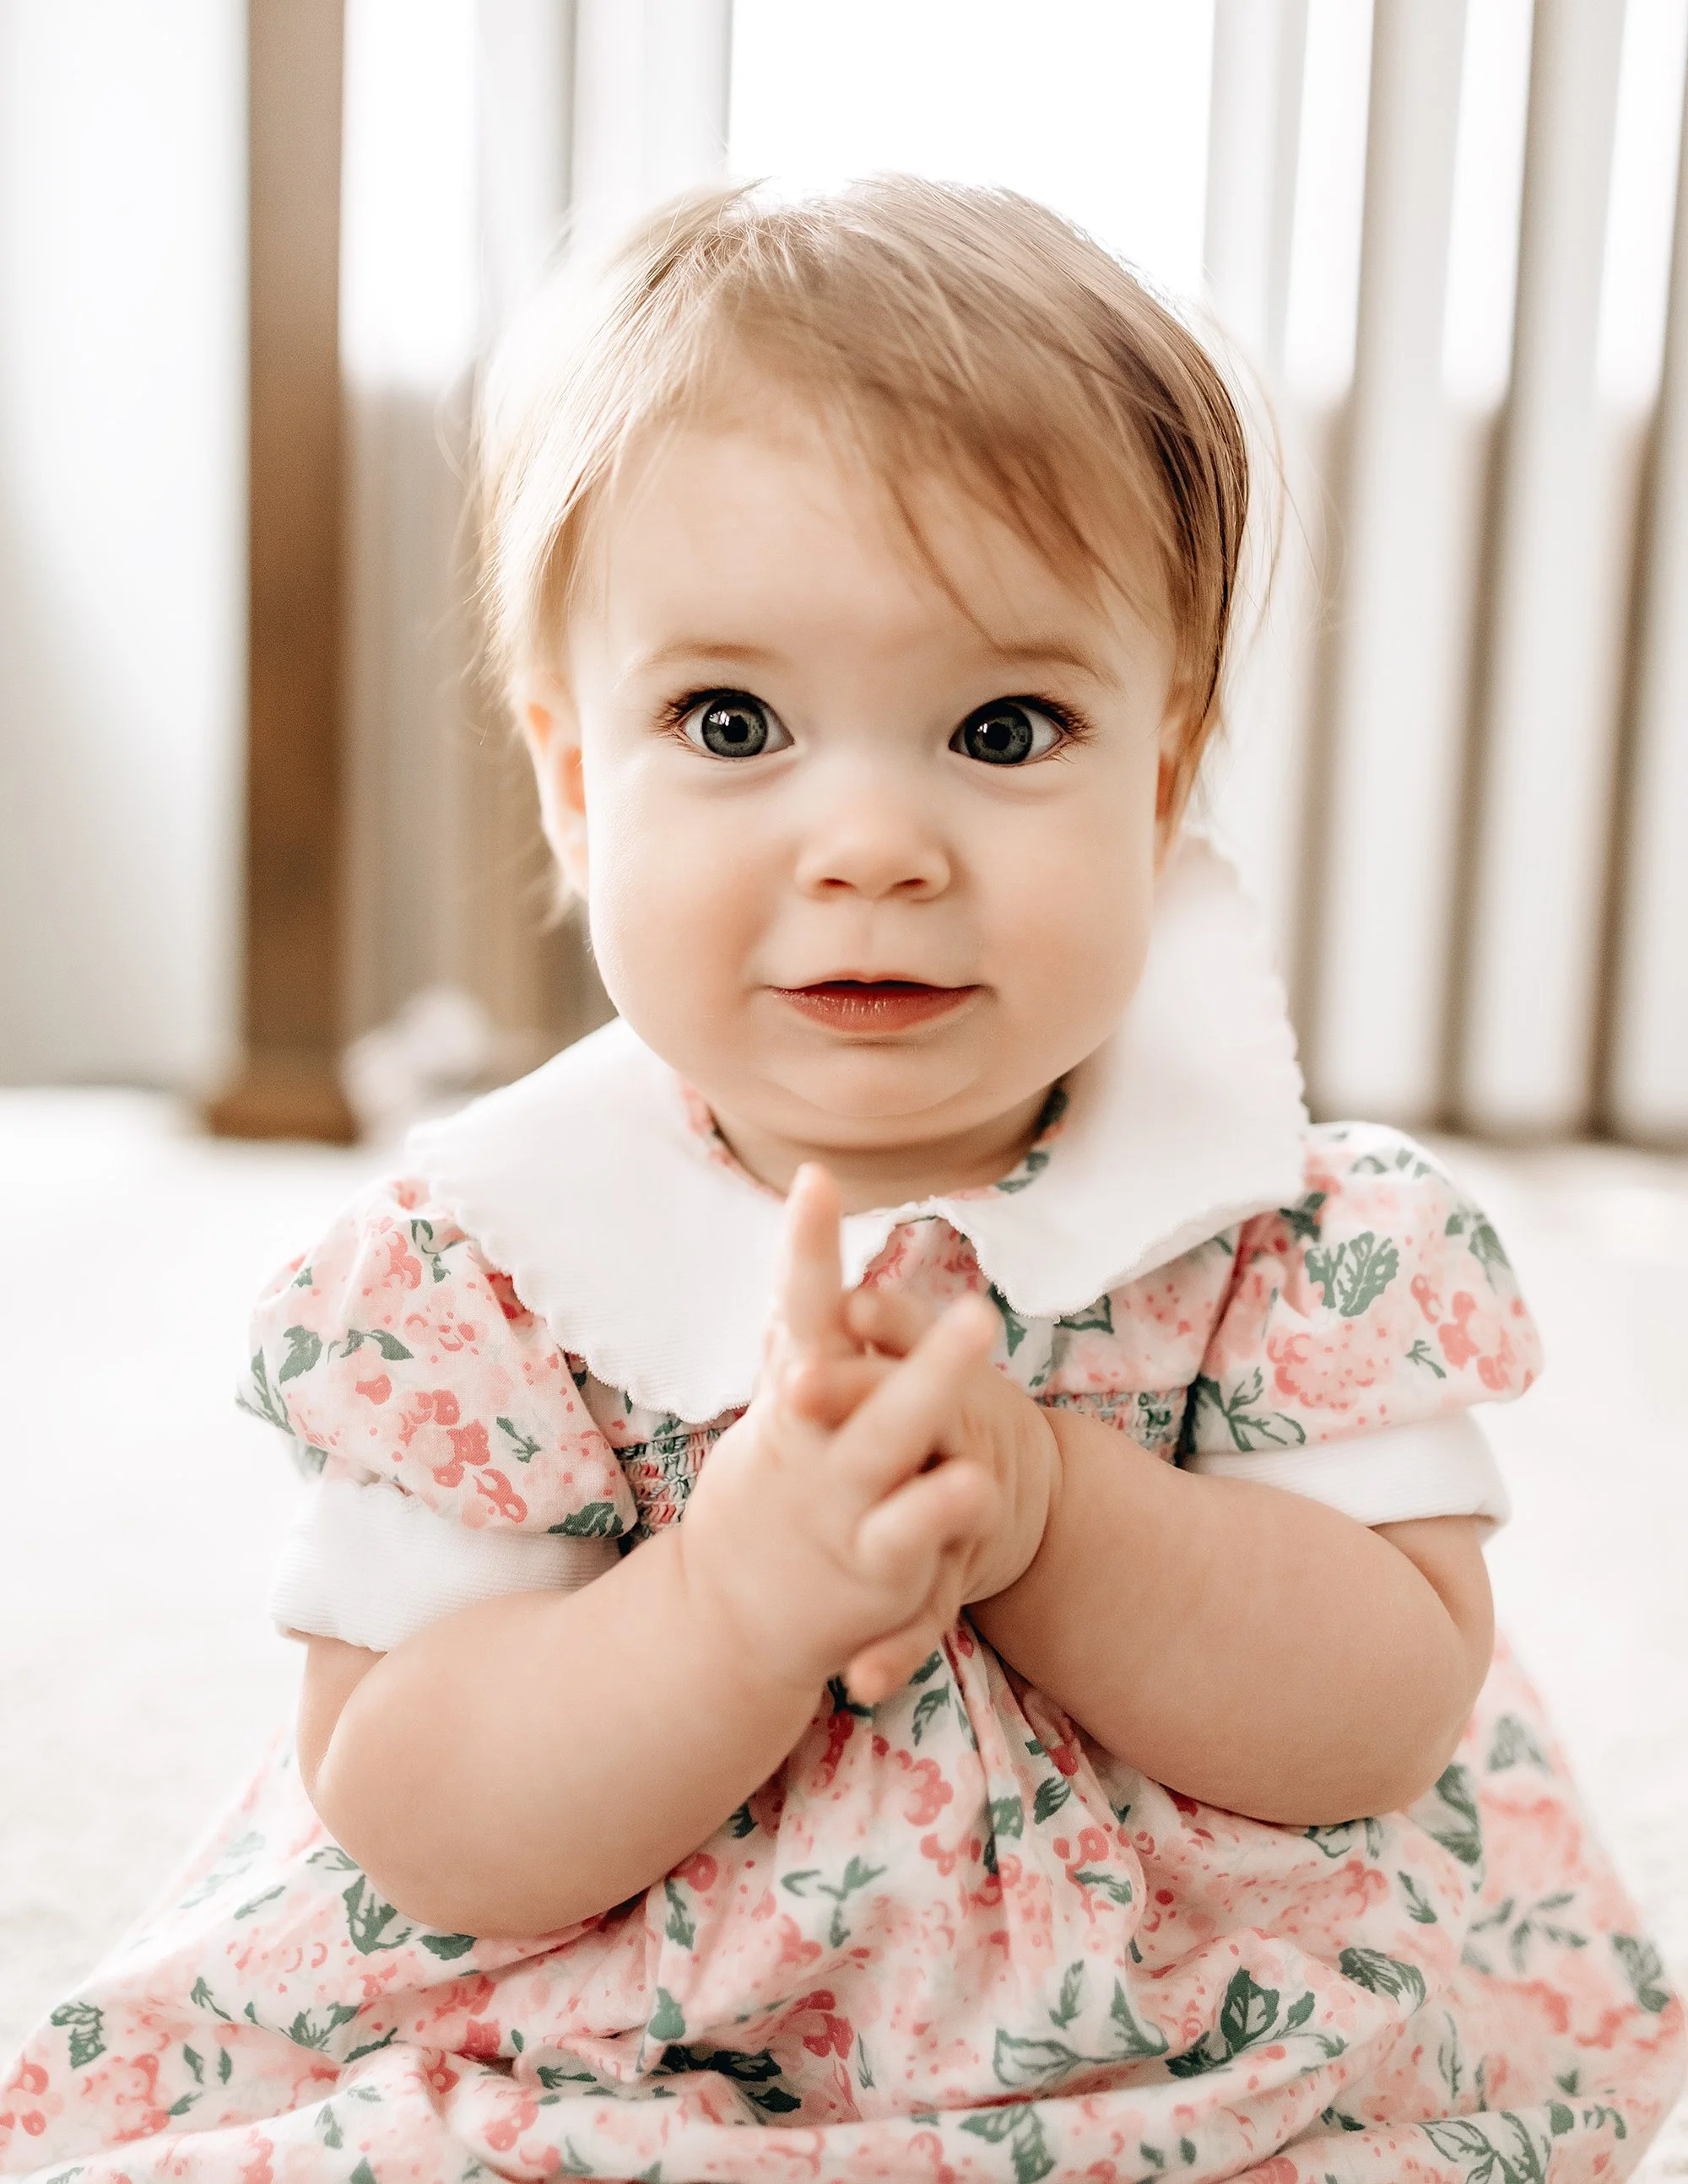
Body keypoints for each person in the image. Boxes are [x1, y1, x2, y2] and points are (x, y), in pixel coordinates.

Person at [3, 178, 1681, 2184]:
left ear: (1155, 784)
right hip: (619, 2041)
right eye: (733, 722)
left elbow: (1386, 1711)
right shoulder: (491, 1273)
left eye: (1001, 725)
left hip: (1186, 2035)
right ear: (568, 776)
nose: (873, 840)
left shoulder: (1284, 1242)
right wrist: (731, 1597)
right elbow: (416, 1815)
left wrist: (1049, 1507)